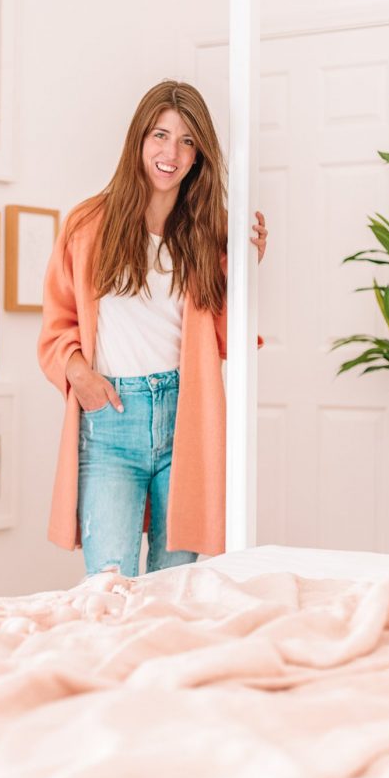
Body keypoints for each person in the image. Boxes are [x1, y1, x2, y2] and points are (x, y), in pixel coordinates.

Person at [38, 80, 267, 577]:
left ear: (199, 154)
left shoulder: (210, 235)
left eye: (187, 141)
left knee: (173, 587)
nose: (172, 152)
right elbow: (57, 326)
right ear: (139, 140)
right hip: (110, 419)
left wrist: (246, 264)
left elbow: (229, 340)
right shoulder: (87, 225)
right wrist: (80, 376)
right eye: (160, 135)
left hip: (185, 415)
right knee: (109, 584)